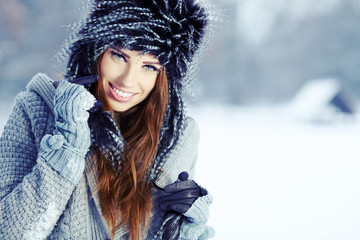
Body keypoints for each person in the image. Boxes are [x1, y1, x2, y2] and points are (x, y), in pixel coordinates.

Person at [0, 0, 215, 239]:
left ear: (165, 76)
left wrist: (189, 229)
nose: (127, 80)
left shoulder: (177, 137)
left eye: (149, 66)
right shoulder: (37, 110)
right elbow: (9, 233)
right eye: (119, 56)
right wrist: (67, 147)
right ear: (96, 50)